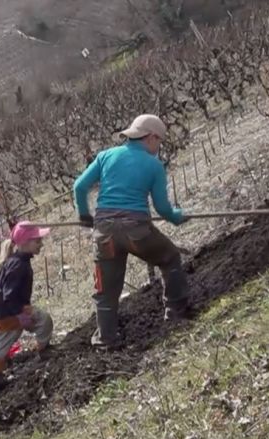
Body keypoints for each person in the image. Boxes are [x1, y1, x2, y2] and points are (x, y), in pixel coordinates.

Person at [73, 114, 190, 350]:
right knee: (170, 258)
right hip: (137, 231)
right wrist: (178, 217)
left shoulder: (106, 156)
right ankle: (176, 311)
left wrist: (85, 216)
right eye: (160, 141)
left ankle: (106, 340)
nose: (159, 147)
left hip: (104, 232)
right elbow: (162, 208)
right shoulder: (153, 165)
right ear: (150, 137)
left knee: (106, 291)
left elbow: (79, 186)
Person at [0, 222, 55, 391]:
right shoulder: (18, 265)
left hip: (9, 309)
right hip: (10, 310)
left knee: (8, 338)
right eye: (37, 241)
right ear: (25, 243)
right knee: (41, 321)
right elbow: (9, 295)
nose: (41, 244)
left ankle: (39, 349)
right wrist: (20, 315)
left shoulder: (17, 260)